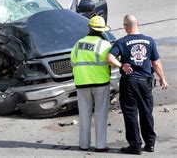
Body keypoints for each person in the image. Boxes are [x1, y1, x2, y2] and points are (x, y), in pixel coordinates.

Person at [107, 14, 168, 155]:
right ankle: (150, 144)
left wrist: (121, 65)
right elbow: (156, 63)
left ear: (126, 26)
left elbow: (109, 57)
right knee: (147, 112)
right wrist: (162, 78)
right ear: (137, 24)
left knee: (130, 114)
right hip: (145, 82)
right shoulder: (149, 41)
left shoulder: (121, 42)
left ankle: (135, 145)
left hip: (129, 82)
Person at [70, 16, 113, 152]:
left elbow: (72, 62)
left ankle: (84, 144)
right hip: (100, 83)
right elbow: (114, 60)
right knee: (101, 113)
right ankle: (100, 145)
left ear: (89, 28)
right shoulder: (105, 44)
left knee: (84, 114)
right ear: (102, 31)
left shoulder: (78, 44)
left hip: (82, 83)